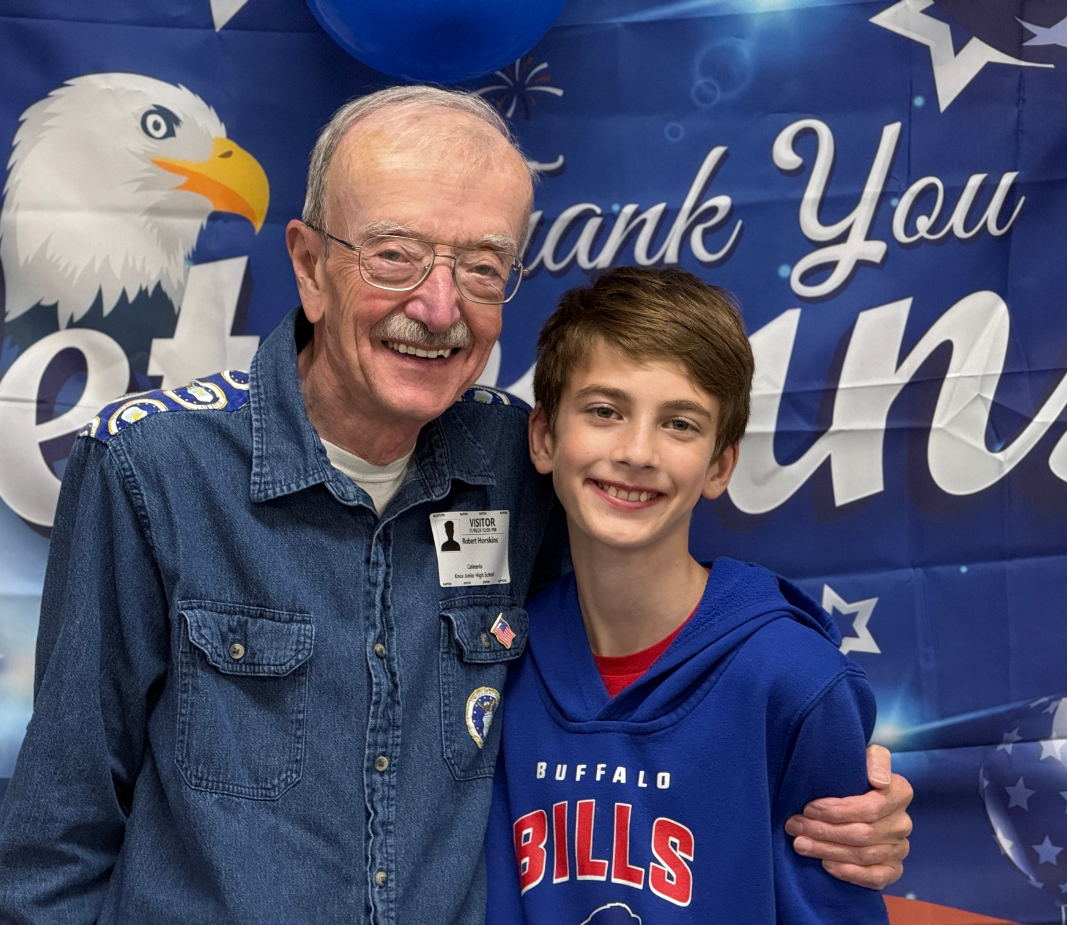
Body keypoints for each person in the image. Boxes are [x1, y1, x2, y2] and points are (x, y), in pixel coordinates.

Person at [0, 87, 909, 925]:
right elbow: (58, 837)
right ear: (311, 266)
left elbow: (648, 660)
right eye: (395, 255)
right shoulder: (151, 469)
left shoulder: (528, 463)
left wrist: (843, 784)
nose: (438, 308)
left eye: (482, 268)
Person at [483, 267, 889, 923]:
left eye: (679, 423)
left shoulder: (792, 678)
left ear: (720, 466)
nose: (638, 451)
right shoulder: (492, 666)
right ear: (543, 437)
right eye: (605, 411)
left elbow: (839, 894)